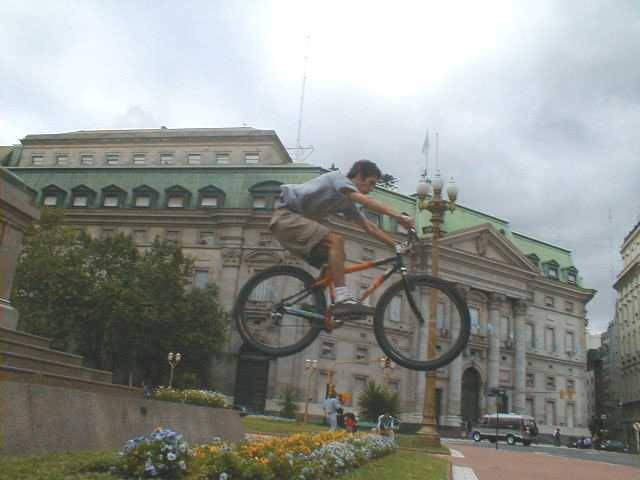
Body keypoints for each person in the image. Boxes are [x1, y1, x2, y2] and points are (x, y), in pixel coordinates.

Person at [269, 160, 415, 316]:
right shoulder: (337, 179)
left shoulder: (346, 202)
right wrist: (399, 216)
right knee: (336, 241)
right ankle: (342, 298)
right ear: (359, 175)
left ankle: (312, 305)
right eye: (370, 183)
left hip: (294, 226)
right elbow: (366, 201)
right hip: (286, 218)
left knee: (335, 260)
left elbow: (369, 227)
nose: (371, 189)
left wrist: (396, 246)